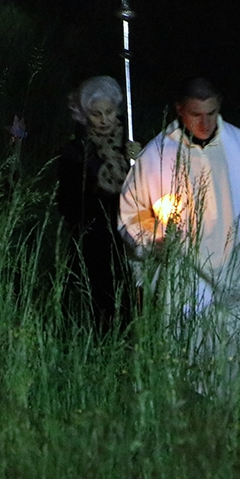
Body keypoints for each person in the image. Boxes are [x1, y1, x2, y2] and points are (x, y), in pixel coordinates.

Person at [118, 76, 240, 398]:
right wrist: (154, 240)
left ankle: (232, 428)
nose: (204, 123)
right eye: (195, 115)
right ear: (179, 110)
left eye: (211, 113)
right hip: (185, 276)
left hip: (237, 274)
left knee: (235, 365)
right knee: (184, 362)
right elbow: (132, 215)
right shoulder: (158, 154)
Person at [55, 76, 138, 336]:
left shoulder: (131, 144)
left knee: (130, 303)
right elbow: (67, 204)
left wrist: (141, 161)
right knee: (97, 308)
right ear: (84, 115)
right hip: (93, 241)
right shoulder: (75, 150)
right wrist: (94, 186)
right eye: (96, 114)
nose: (104, 120)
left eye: (109, 112)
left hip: (129, 239)